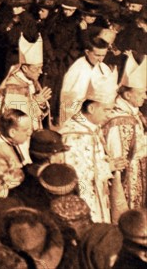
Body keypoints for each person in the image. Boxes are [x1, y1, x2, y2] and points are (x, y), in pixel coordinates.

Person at [60, 69, 126, 223]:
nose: (109, 114)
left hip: (98, 195)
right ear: (91, 108)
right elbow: (74, 174)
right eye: (106, 110)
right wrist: (107, 167)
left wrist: (110, 165)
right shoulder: (74, 134)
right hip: (84, 199)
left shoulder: (91, 128)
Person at [103, 54, 147, 216]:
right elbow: (119, 158)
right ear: (128, 95)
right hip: (127, 178)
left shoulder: (133, 113)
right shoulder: (121, 120)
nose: (145, 97)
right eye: (141, 93)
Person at [0, 34, 52, 131]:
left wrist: (42, 105)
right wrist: (36, 103)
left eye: (41, 67)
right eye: (37, 68)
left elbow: (40, 111)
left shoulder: (33, 82)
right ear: (24, 68)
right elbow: (16, 119)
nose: (41, 72)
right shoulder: (13, 87)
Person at [59, 36, 114, 125]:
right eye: (97, 55)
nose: (100, 59)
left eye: (103, 55)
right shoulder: (76, 69)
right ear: (87, 52)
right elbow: (68, 99)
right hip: (79, 119)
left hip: (99, 116)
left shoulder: (104, 68)